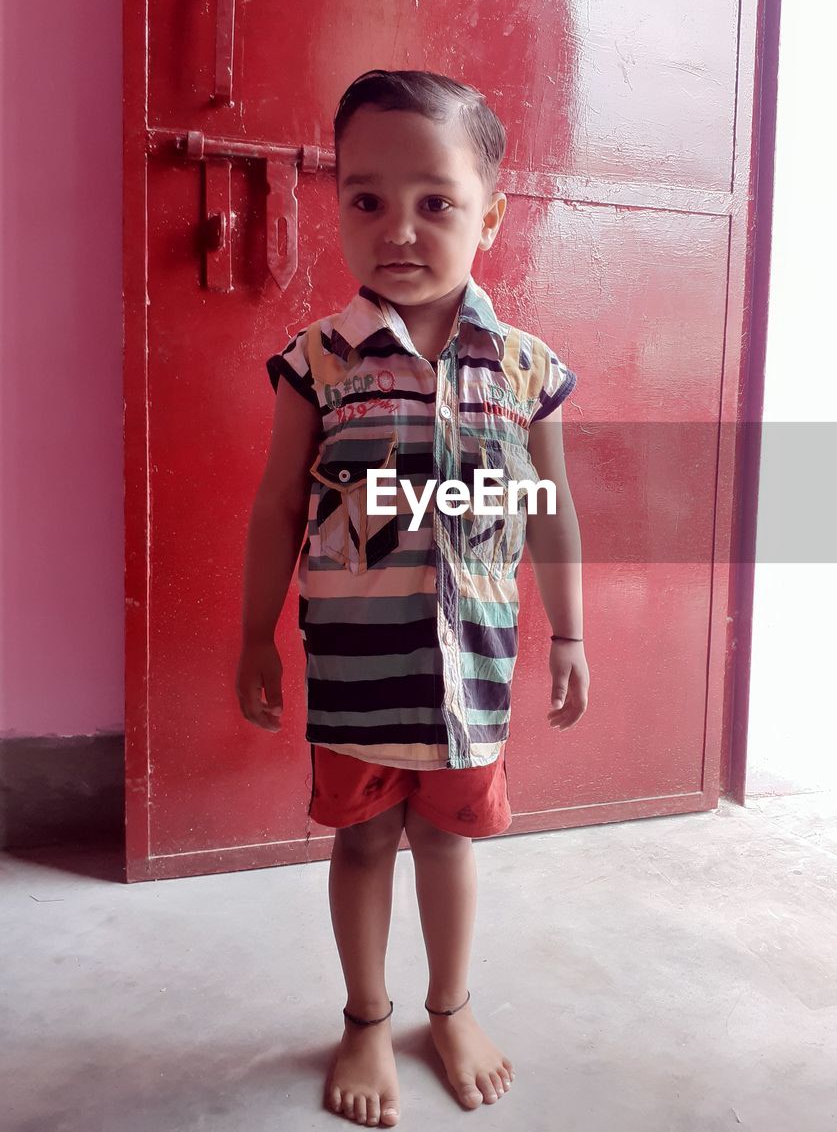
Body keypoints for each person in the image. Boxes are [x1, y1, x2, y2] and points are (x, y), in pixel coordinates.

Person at [236, 69, 589, 1127]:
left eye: (435, 200)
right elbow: (275, 510)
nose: (399, 227)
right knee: (360, 843)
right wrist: (254, 634)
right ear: (337, 202)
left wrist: (571, 627)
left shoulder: (527, 369)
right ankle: (363, 1013)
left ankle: (450, 1007)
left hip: (470, 676)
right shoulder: (319, 362)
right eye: (366, 197)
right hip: (358, 679)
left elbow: (552, 506)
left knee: (450, 840)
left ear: (490, 213)